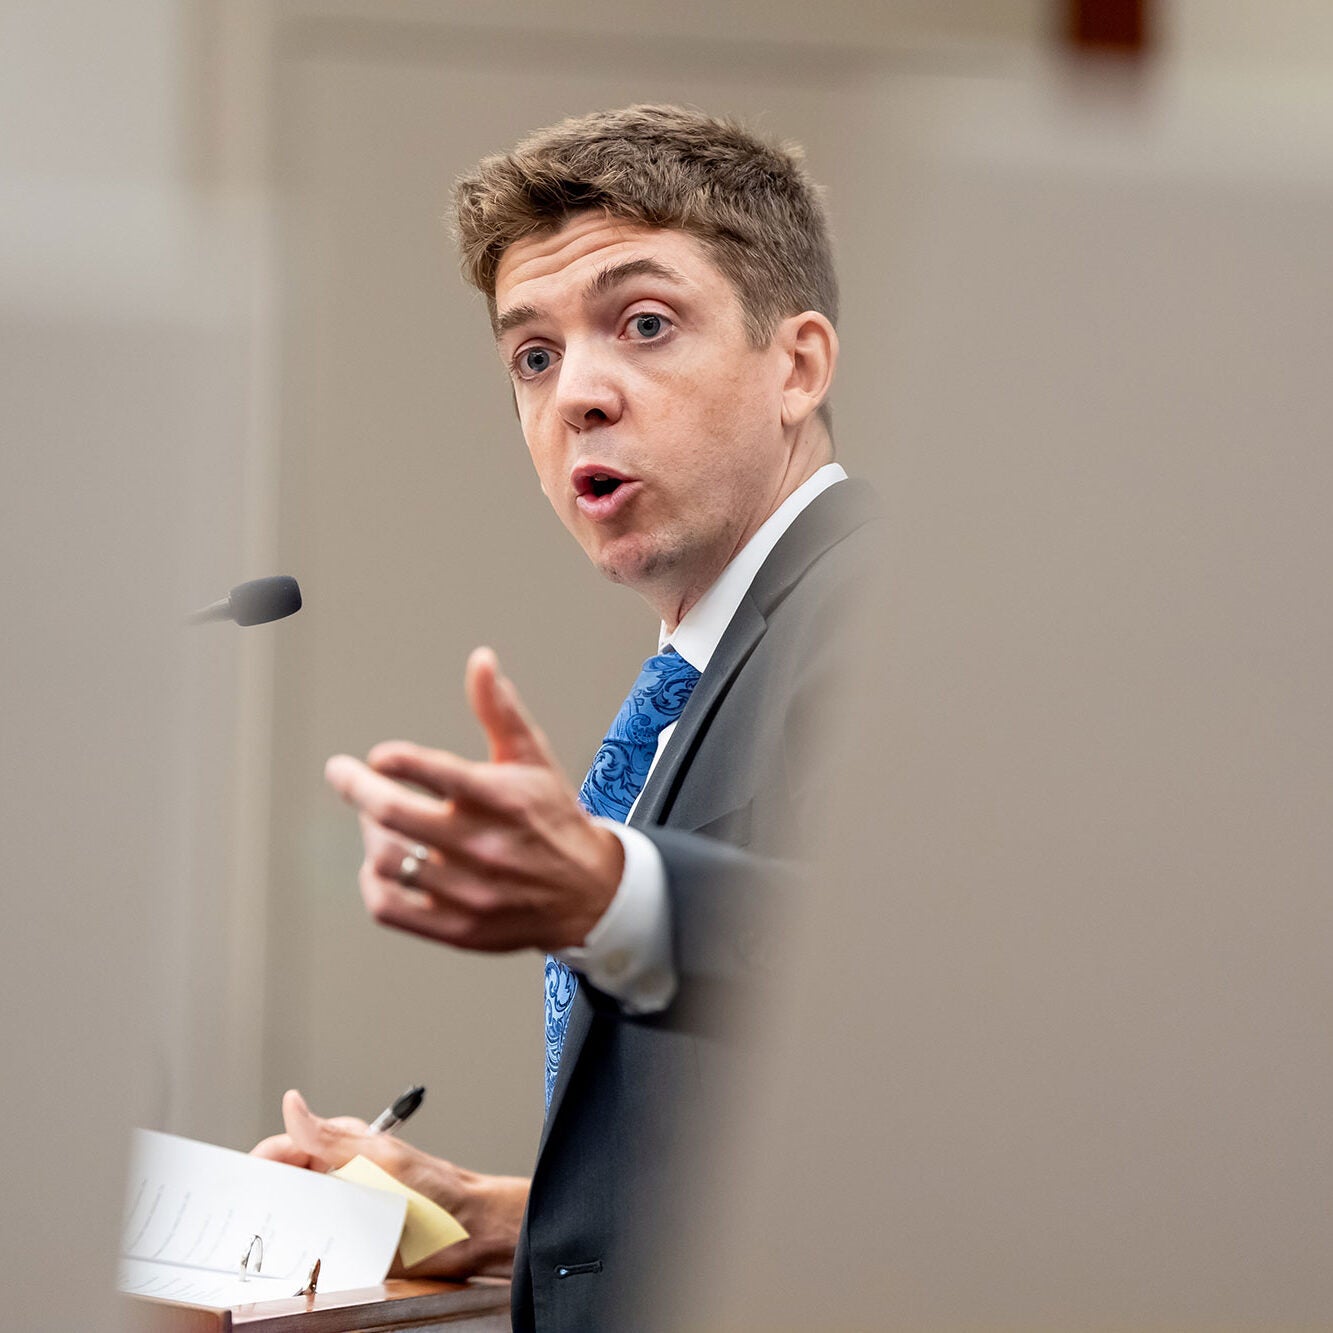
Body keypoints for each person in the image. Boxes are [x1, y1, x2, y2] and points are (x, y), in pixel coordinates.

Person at [253, 103, 879, 1330]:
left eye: (643, 324)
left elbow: (910, 989)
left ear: (797, 365)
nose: (577, 394)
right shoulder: (710, 663)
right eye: (532, 357)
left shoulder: (886, 603)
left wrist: (611, 893)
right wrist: (494, 1213)